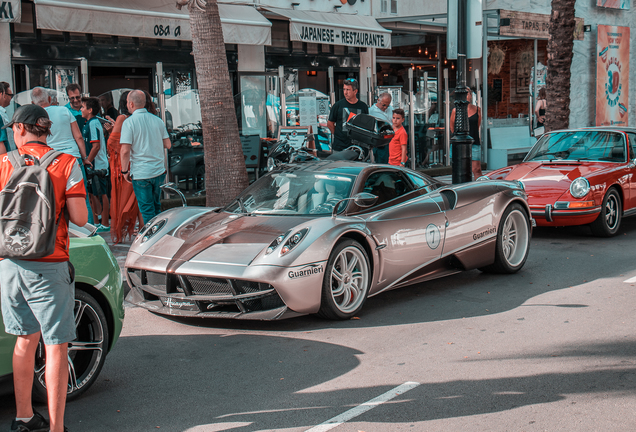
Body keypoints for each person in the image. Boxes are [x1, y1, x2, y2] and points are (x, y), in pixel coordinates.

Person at [0, 104, 88, 432]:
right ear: (46, 129)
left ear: (21, 129)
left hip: (9, 264)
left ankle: (23, 418)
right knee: (55, 346)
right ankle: (56, 427)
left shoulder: (3, 163)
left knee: (24, 340)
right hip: (50, 264)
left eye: (13, 128)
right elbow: (80, 218)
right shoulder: (66, 163)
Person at [31, 86, 95, 226]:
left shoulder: (36, 116)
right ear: (49, 99)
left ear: (33, 102)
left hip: (50, 159)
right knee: (81, 197)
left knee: (55, 198)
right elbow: (78, 136)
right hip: (73, 157)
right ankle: (89, 231)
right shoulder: (64, 110)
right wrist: (84, 158)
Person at [120, 89, 171, 225]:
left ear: (131, 104)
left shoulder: (129, 123)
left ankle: (152, 239)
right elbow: (168, 144)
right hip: (158, 170)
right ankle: (159, 235)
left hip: (141, 172)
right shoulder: (158, 120)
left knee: (147, 210)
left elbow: (125, 151)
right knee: (156, 207)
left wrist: (124, 171)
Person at [107, 91, 142, 243]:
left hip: (123, 165)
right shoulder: (138, 119)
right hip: (137, 163)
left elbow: (112, 144)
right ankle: (141, 228)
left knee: (122, 199)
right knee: (137, 200)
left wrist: (111, 132)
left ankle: (121, 231)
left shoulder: (122, 118)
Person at [81, 96, 111, 232]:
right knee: (93, 195)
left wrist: (87, 161)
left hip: (97, 166)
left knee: (101, 194)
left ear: (90, 110)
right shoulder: (88, 123)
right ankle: (96, 222)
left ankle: (104, 223)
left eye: (82, 107)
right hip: (93, 165)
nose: (80, 109)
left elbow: (96, 146)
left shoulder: (93, 123)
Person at [327, 78, 368, 152]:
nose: (345, 92)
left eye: (348, 90)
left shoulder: (363, 106)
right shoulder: (338, 105)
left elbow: (365, 126)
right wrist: (338, 135)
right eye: (344, 89)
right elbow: (330, 123)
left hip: (357, 147)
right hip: (340, 146)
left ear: (355, 91)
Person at [450, 90, 483, 179]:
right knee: (460, 169)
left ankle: (480, 189)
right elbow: (452, 127)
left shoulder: (477, 109)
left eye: (468, 93)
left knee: (476, 169)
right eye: (464, 94)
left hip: (474, 142)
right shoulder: (455, 110)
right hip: (459, 144)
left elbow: (477, 125)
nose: (466, 95)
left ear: (471, 95)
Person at [368, 92, 393, 164]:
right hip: (381, 140)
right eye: (384, 105)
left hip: (391, 138)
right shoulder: (371, 111)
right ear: (378, 100)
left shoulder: (390, 108)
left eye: (387, 106)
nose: (385, 107)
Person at [0, 81, 15, 153]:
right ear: (2, 95)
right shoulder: (0, 115)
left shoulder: (3, 112)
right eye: (10, 95)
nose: (11, 98)